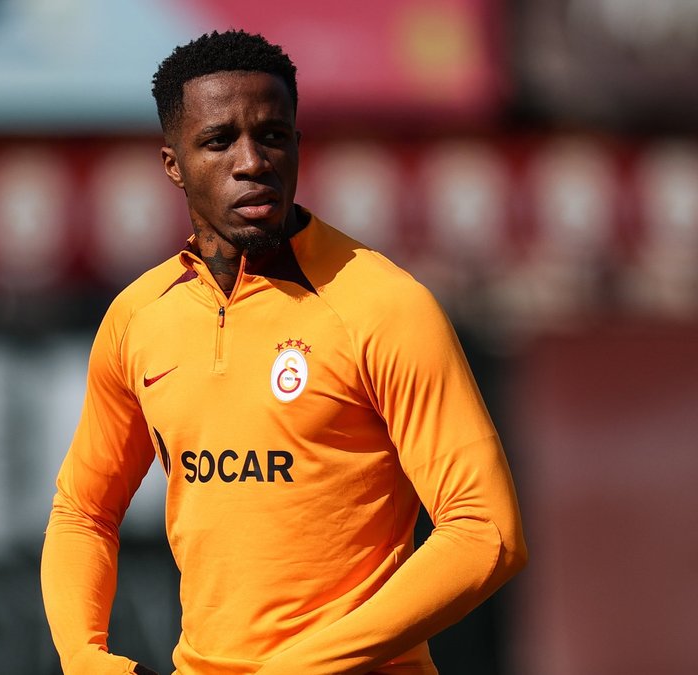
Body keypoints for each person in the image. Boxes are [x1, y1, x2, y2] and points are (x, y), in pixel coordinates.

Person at [41, 30, 528, 675]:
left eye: (272, 136)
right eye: (220, 141)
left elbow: (486, 532)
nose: (252, 161)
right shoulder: (139, 317)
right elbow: (83, 512)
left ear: (298, 144)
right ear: (173, 164)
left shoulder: (382, 304)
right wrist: (83, 658)